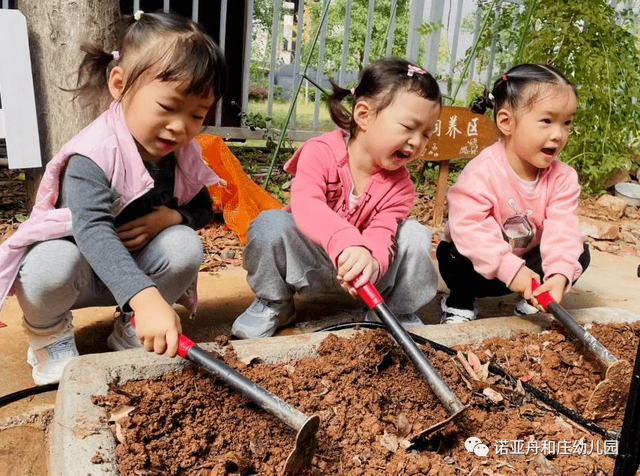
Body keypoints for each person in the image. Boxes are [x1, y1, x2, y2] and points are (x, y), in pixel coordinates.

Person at [0, 10, 228, 385]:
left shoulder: (182, 156)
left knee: (184, 245)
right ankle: (49, 334)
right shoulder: (93, 154)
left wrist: (174, 218)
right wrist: (148, 298)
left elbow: (203, 207)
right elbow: (92, 231)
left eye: (197, 115)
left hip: (131, 273)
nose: (180, 126)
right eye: (168, 107)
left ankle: (131, 327)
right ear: (119, 84)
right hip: (75, 275)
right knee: (48, 264)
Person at [231, 58, 442, 339]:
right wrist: (346, 241)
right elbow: (308, 206)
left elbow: (383, 232)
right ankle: (274, 303)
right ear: (363, 114)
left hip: (365, 276)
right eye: (408, 127)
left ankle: (393, 312)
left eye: (426, 134)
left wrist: (372, 262)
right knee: (269, 224)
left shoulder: (401, 185)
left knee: (415, 235)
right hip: (311, 264)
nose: (417, 142)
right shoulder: (320, 152)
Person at [437, 63, 590, 324]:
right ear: (507, 122)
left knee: (578, 252)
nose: (558, 134)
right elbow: (469, 228)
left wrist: (558, 275)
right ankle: (460, 302)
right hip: (478, 272)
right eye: (546, 121)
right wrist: (510, 270)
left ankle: (535, 297)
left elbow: (563, 230)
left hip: (526, 273)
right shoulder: (483, 171)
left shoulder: (563, 178)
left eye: (566, 123)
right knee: (457, 251)